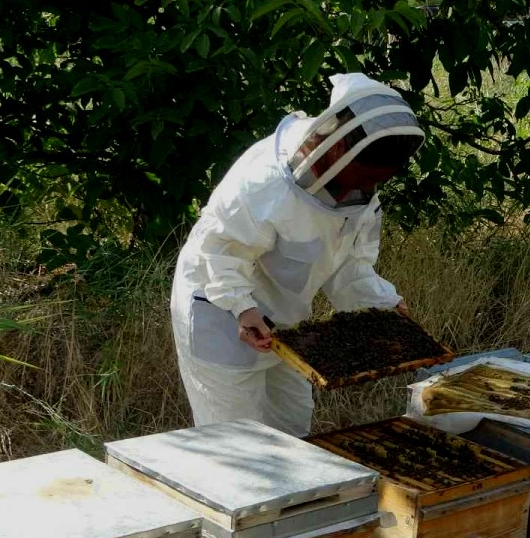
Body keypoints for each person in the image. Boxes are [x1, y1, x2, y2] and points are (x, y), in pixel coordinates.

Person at [171, 73, 425, 436]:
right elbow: (220, 255)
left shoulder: (361, 200)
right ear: (338, 151)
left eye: (378, 181)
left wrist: (383, 304)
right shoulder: (264, 184)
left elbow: (350, 266)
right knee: (234, 440)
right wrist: (242, 308)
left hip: (287, 322)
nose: (368, 188)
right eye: (365, 176)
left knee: (292, 430)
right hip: (221, 313)